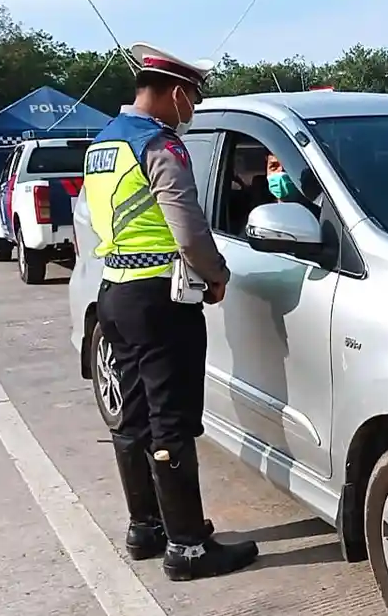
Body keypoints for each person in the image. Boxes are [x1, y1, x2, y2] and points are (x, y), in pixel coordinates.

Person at [82, 42, 258, 581]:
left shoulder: (101, 146)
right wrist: (218, 275)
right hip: (161, 301)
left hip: (114, 292)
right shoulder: (159, 146)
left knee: (132, 417)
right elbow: (188, 229)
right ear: (177, 93)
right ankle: (188, 547)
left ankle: (146, 528)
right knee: (171, 421)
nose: (192, 113)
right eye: (194, 102)